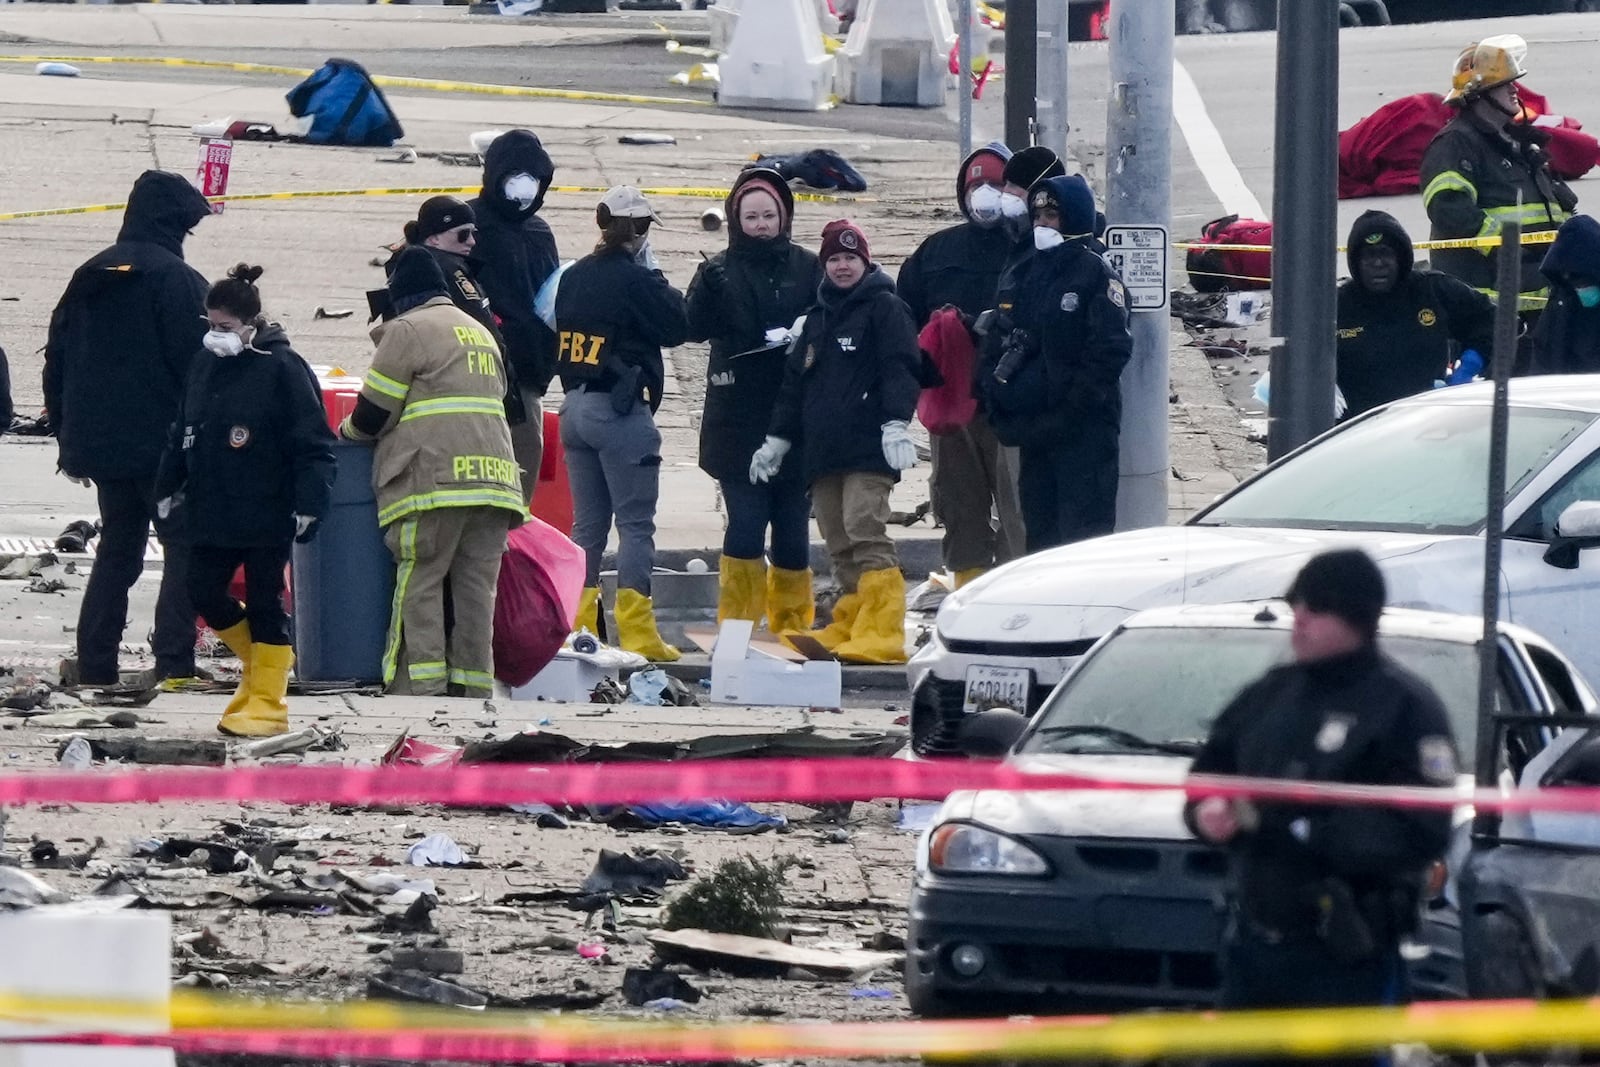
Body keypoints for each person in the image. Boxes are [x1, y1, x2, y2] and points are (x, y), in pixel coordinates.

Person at [1185, 549, 1457, 1064]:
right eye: (1296, 607)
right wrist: (1208, 810)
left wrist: (1301, 827)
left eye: (1315, 608)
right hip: (1255, 950)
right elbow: (1208, 771)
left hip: (1344, 955)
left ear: (1354, 615)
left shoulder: (1404, 709)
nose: (1300, 620)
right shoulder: (1272, 695)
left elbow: (1423, 828)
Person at [43, 170, 214, 687]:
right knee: (182, 549)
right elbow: (199, 368)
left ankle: (96, 662)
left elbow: (57, 362)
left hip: (101, 446)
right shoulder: (178, 281)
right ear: (174, 224)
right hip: (163, 448)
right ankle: (173, 662)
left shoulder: (89, 274)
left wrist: (67, 438)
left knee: (118, 550)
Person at [155, 265, 335, 737]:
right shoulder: (205, 365)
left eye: (225, 327)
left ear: (251, 323)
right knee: (203, 590)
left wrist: (310, 503)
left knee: (264, 601)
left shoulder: (281, 367)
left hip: (267, 505)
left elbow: (312, 441)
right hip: (213, 506)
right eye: (210, 324)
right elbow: (183, 431)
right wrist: (166, 486)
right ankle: (260, 670)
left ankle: (269, 704)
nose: (216, 335)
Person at [339, 246, 525, 698]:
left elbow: (372, 415)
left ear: (401, 294)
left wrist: (344, 432)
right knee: (477, 591)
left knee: (418, 579)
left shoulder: (407, 330)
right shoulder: (479, 330)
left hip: (434, 481)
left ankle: (418, 687)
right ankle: (473, 687)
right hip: (494, 484)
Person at [752, 219, 921, 664]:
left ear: (865, 262)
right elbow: (795, 385)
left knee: (865, 528)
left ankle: (883, 629)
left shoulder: (886, 307)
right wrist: (777, 439)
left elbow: (901, 366)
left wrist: (896, 423)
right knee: (838, 538)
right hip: (823, 453)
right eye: (834, 259)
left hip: (868, 448)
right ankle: (851, 619)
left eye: (850, 258)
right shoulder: (817, 318)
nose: (842, 266)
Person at [686, 167, 823, 635]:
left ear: (784, 217)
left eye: (769, 215)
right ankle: (738, 626)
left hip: (795, 420)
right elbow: (692, 326)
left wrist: (807, 331)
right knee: (745, 522)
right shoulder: (719, 268)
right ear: (735, 219)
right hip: (737, 421)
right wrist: (708, 288)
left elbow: (833, 319)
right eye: (752, 216)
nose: (761, 224)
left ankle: (791, 625)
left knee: (792, 526)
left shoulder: (808, 266)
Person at [557, 186, 690, 662]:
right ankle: (637, 633)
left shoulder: (574, 275)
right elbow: (679, 324)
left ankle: (576, 631)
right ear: (639, 229)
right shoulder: (635, 279)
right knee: (635, 526)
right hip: (619, 414)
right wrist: (652, 275)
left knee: (587, 528)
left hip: (573, 410)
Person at [897, 142, 1026, 588]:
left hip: (1012, 406)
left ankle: (1012, 593)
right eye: (976, 186)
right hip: (952, 407)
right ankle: (969, 590)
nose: (984, 194)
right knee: (958, 503)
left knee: (1017, 510)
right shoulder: (935, 251)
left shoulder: (1029, 250)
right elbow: (903, 322)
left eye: (995, 184)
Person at [984, 175, 1131, 553]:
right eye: (1038, 216)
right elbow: (1007, 337)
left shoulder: (1095, 274)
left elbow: (1108, 353)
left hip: (1083, 433)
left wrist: (1069, 410)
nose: (1042, 224)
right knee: (1041, 539)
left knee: (1082, 542)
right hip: (1038, 432)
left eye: (1052, 215)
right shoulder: (1030, 271)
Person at [1420, 34, 1577, 365]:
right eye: (1504, 84)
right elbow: (1449, 208)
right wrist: (1509, 248)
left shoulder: (1517, 145)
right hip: (1492, 305)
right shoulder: (1455, 144)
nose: (1514, 90)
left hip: (1539, 300)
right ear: (1478, 94)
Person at [469, 130, 560, 504]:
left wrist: (545, 366)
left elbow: (551, 301)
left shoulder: (539, 232)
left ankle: (512, 548)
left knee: (521, 477)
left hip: (526, 379)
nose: (524, 188)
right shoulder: (468, 225)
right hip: (474, 374)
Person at [1336, 210, 1495, 418]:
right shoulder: (1339, 304)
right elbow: (1298, 352)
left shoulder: (1432, 290)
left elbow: (1494, 320)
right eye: (1369, 256)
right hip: (1359, 426)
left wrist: (1468, 367)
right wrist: (1323, 389)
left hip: (1428, 419)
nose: (1378, 263)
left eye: (1385, 253)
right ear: (1355, 262)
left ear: (1400, 257)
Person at [1530, 213, 1600, 375]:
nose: (1578, 288)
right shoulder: (1561, 302)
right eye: (1568, 280)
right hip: (1565, 390)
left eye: (1580, 279)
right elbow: (1543, 352)